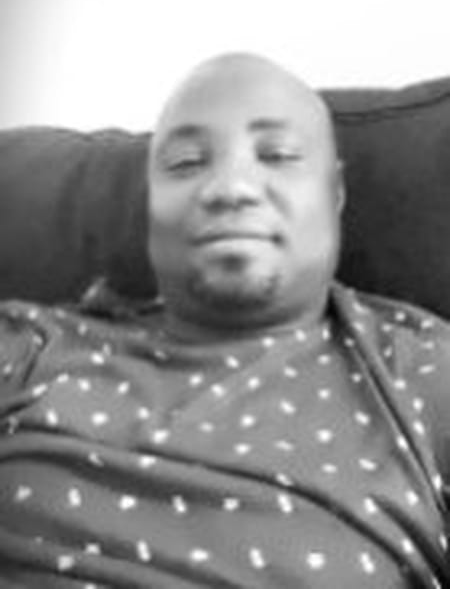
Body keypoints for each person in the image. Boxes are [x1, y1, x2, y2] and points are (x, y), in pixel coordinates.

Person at [0, 53, 449, 589]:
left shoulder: (425, 374)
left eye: (277, 155)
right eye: (186, 163)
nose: (231, 188)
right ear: (151, 205)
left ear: (335, 194)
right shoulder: (31, 345)